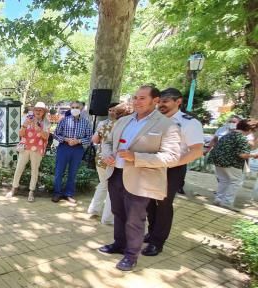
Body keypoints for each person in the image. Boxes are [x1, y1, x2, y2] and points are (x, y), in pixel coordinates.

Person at [98, 85, 181, 271]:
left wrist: (136, 157)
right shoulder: (124, 120)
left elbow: (172, 157)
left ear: (155, 100)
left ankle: (131, 255)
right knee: (118, 213)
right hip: (116, 174)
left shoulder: (167, 125)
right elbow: (108, 142)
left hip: (140, 179)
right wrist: (107, 155)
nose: (137, 101)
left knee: (134, 219)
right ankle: (119, 244)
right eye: (135, 97)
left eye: (142, 98)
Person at [142, 88, 205, 256]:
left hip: (173, 168)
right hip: (150, 165)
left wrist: (171, 163)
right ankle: (152, 232)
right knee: (148, 202)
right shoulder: (153, 119)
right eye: (159, 101)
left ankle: (157, 241)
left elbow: (197, 150)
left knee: (163, 204)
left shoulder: (189, 123)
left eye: (165, 101)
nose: (161, 105)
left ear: (178, 101)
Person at [87, 102, 131, 225]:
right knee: (113, 189)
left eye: (113, 111)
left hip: (101, 158)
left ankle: (94, 209)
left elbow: (95, 140)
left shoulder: (103, 123)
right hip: (116, 160)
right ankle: (108, 218)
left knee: (103, 184)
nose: (112, 112)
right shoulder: (125, 125)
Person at [207, 119, 258, 211]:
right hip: (231, 163)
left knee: (224, 181)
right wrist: (254, 155)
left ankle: (218, 200)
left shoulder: (228, 134)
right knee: (235, 182)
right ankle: (227, 202)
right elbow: (242, 154)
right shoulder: (242, 138)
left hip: (217, 160)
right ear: (249, 130)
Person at [6, 102, 50, 202]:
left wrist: (38, 129)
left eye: (40, 110)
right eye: (36, 109)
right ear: (33, 110)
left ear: (43, 112)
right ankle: (14, 188)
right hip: (25, 147)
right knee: (19, 168)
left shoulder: (46, 122)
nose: (38, 111)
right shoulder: (26, 118)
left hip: (37, 149)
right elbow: (21, 134)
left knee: (34, 170)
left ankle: (31, 191)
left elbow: (46, 137)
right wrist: (25, 125)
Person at [51, 101, 93, 203]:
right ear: (70, 108)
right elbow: (56, 134)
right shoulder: (64, 121)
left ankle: (69, 194)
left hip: (77, 149)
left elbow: (90, 138)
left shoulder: (86, 122)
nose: (74, 109)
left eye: (77, 107)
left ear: (81, 109)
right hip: (64, 147)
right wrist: (66, 139)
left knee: (73, 172)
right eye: (73, 107)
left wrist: (78, 141)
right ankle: (57, 193)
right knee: (59, 171)